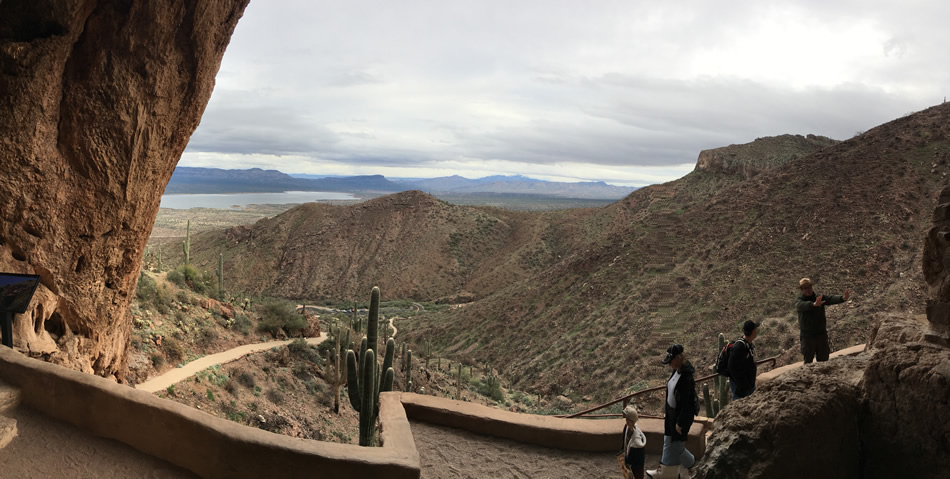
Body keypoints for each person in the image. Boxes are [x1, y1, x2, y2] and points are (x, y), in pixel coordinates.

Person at [647, 344, 696, 479]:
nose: (669, 365)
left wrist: (680, 422)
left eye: (671, 361)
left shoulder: (686, 377)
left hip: (680, 417)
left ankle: (664, 472)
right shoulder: (677, 371)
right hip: (671, 414)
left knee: (672, 444)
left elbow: (687, 403)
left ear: (678, 358)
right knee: (673, 444)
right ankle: (691, 466)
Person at [795, 278, 850, 363]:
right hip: (808, 337)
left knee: (824, 360)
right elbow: (801, 305)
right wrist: (813, 305)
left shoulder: (819, 297)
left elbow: (830, 298)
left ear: (812, 287)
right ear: (802, 290)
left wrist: (842, 298)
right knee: (808, 361)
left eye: (809, 287)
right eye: (805, 288)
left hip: (821, 335)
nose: (808, 290)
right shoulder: (799, 300)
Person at [728, 320, 759, 399]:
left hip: (748, 386)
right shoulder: (739, 347)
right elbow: (732, 368)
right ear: (753, 332)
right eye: (755, 330)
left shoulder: (747, 344)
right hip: (741, 389)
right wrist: (744, 385)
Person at [621, 404, 647, 479]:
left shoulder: (637, 442)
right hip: (630, 460)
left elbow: (635, 459)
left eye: (627, 419)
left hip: (636, 465)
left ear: (632, 422)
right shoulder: (626, 427)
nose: (626, 420)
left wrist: (626, 459)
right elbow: (624, 440)